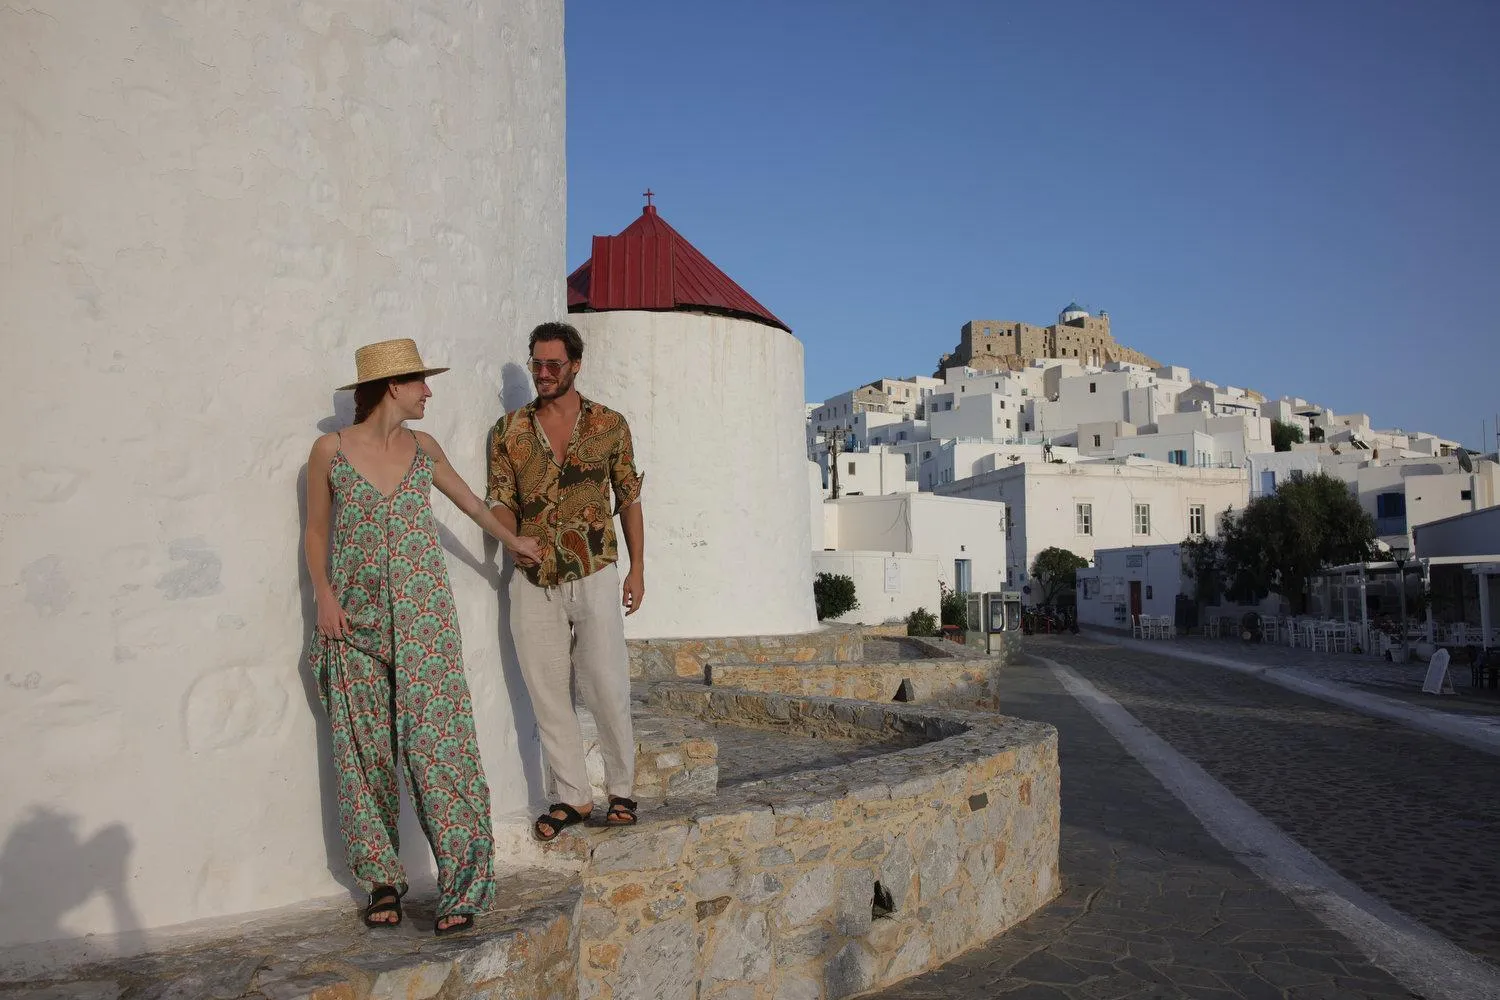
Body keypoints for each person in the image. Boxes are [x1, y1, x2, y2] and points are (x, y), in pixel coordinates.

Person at [305, 338, 542, 935]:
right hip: (351, 620)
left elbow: (471, 505)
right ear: (392, 387)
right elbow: (314, 533)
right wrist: (325, 597)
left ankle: (463, 884)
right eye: (419, 383)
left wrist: (513, 542)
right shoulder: (328, 451)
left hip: (423, 620)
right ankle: (381, 880)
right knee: (364, 752)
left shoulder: (423, 448)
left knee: (441, 748)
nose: (428, 392)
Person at [486, 322, 646, 842]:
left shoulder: (609, 425)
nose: (544, 373)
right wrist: (512, 541)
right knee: (547, 691)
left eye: (554, 364)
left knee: (605, 685)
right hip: (533, 579)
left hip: (596, 569)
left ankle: (621, 789)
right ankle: (572, 797)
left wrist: (638, 568)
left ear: (576, 365)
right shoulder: (507, 431)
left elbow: (628, 497)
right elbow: (500, 500)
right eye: (537, 363)